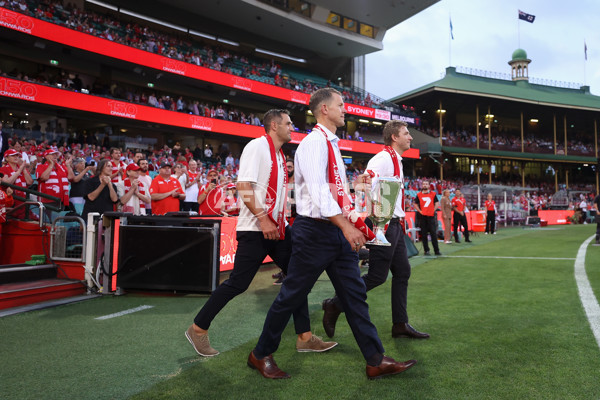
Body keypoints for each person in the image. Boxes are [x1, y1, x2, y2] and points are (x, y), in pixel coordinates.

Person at [248, 88, 416, 380]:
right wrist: (347, 225)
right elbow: (319, 192)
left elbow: (337, 193)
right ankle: (260, 353)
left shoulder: (331, 145)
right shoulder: (314, 143)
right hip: (315, 232)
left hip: (333, 229)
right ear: (324, 109)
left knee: (354, 296)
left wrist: (354, 219)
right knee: (291, 295)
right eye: (340, 105)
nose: (345, 109)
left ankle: (375, 360)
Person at [186, 109, 336, 357]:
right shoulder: (257, 146)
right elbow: (243, 186)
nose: (292, 127)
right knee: (238, 283)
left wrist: (276, 223)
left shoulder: (278, 154)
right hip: (256, 229)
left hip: (276, 229)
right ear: (274, 125)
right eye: (288, 123)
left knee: (296, 277)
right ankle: (198, 329)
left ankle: (305, 337)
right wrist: (263, 220)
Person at [322, 120, 430, 342]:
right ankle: (335, 304)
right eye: (406, 133)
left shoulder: (395, 159)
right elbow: (362, 183)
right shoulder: (383, 159)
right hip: (383, 222)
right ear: (394, 137)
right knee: (378, 276)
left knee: (402, 272)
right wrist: (375, 212)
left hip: (393, 222)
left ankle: (400, 324)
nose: (410, 137)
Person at [414, 179, 441, 256]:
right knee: (424, 234)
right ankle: (426, 250)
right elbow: (415, 204)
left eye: (426, 184)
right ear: (422, 185)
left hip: (431, 216)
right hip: (423, 217)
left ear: (429, 186)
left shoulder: (433, 194)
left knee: (433, 234)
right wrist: (420, 211)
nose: (425, 185)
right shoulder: (419, 194)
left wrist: (433, 210)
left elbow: (437, 203)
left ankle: (436, 250)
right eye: (423, 184)